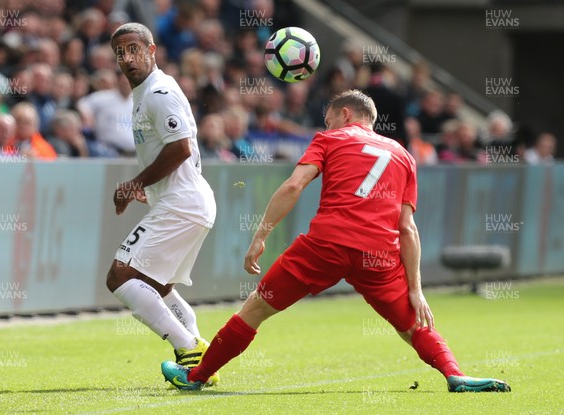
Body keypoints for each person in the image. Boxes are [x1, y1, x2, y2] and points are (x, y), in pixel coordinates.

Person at [162, 90, 511, 393]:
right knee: (411, 324)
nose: (327, 127)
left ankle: (197, 375)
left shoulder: (331, 139)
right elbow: (408, 228)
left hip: (325, 246)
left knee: (256, 308)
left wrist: (261, 235)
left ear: (345, 115)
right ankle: (455, 373)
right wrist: (415, 288)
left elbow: (293, 186)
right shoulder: (403, 154)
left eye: (329, 120)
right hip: (379, 255)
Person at [106, 22, 219, 387]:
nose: (127, 57)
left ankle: (188, 351)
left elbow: (180, 147)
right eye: (120, 52)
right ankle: (201, 356)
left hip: (183, 203)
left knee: (120, 276)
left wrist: (135, 184)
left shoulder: (158, 92)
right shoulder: (143, 94)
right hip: (185, 201)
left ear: (152, 51)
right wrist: (148, 187)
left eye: (134, 48)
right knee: (159, 285)